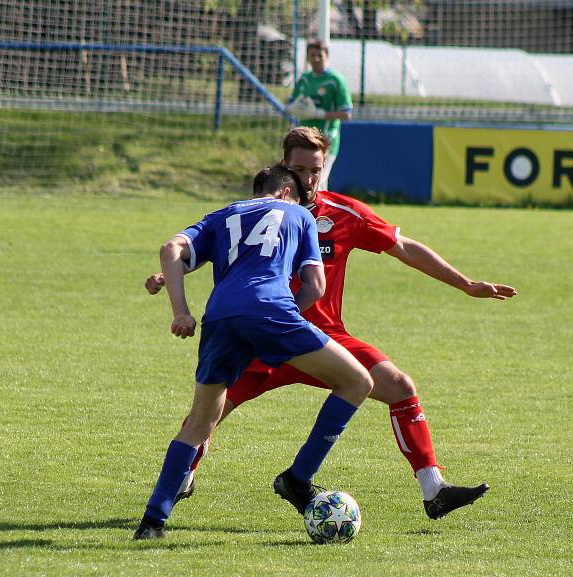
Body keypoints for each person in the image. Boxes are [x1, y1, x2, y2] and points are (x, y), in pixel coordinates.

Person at [146, 126, 517, 521]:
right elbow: (215, 254)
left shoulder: (342, 213)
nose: (308, 179)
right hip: (262, 336)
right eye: (300, 169)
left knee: (400, 386)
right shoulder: (255, 212)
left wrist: (465, 284)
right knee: (208, 412)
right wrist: (168, 276)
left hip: (324, 338)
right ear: (283, 166)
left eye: (315, 170)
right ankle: (181, 477)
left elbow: (404, 246)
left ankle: (434, 489)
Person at [133, 159, 374, 541]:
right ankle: (299, 478)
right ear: (284, 193)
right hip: (273, 312)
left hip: (220, 318)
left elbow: (171, 248)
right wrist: (286, 318)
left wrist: (181, 312)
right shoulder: (299, 215)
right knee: (357, 382)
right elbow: (316, 284)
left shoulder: (222, 216)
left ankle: (152, 522)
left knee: (200, 423)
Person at [285, 39, 352, 191]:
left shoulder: (335, 80)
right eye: (312, 55)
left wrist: (318, 114)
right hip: (304, 138)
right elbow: (289, 105)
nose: (315, 59)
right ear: (307, 57)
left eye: (319, 55)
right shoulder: (304, 79)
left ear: (326, 57)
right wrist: (294, 108)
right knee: (301, 182)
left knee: (318, 182)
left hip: (326, 138)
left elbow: (346, 114)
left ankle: (320, 215)